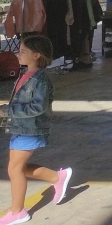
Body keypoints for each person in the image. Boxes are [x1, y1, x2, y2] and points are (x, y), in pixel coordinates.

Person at [0, 35, 72, 225]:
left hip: (31, 130)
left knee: (14, 169)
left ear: (36, 55)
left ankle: (18, 212)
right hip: (20, 128)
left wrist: (5, 110)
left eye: (23, 51)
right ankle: (57, 177)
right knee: (19, 168)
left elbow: (36, 108)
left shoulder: (41, 81)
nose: (18, 54)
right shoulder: (25, 74)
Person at [72, 0, 102, 70]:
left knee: (86, 39)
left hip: (87, 21)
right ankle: (85, 57)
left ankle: (84, 56)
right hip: (87, 21)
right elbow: (92, 9)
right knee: (87, 39)